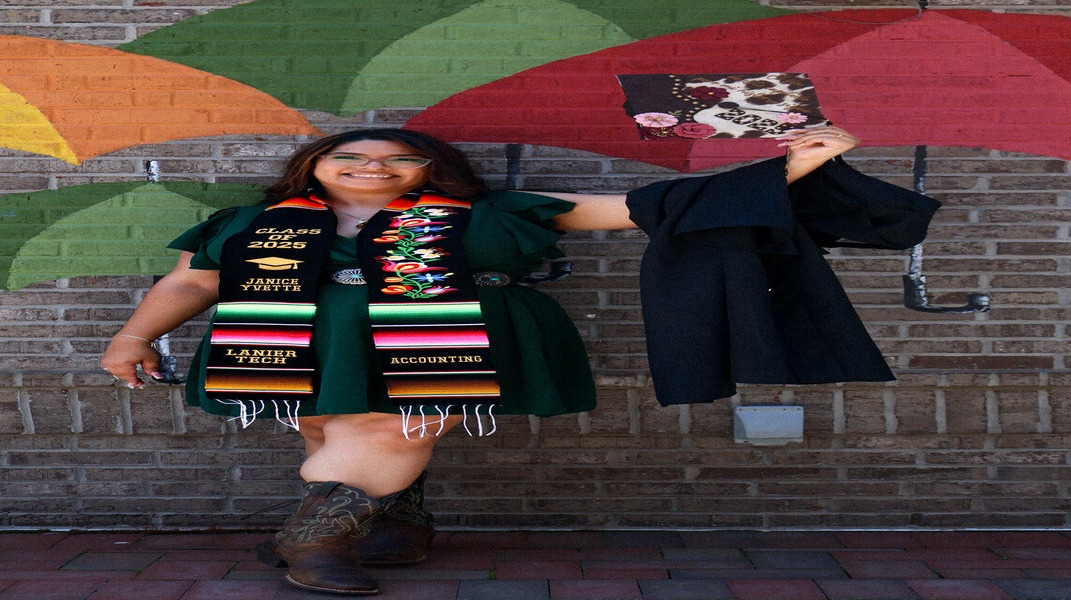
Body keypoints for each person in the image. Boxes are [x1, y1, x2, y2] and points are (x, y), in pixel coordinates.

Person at [101, 125, 892, 595]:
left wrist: (797, 164)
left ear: (430, 171)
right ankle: (394, 528)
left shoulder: (487, 214)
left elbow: (636, 208)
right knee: (332, 433)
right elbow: (193, 281)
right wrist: (132, 338)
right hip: (301, 344)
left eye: (397, 160)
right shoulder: (249, 222)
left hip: (449, 340)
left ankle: (313, 539)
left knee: (394, 432)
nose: (374, 166)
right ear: (314, 165)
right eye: (354, 156)